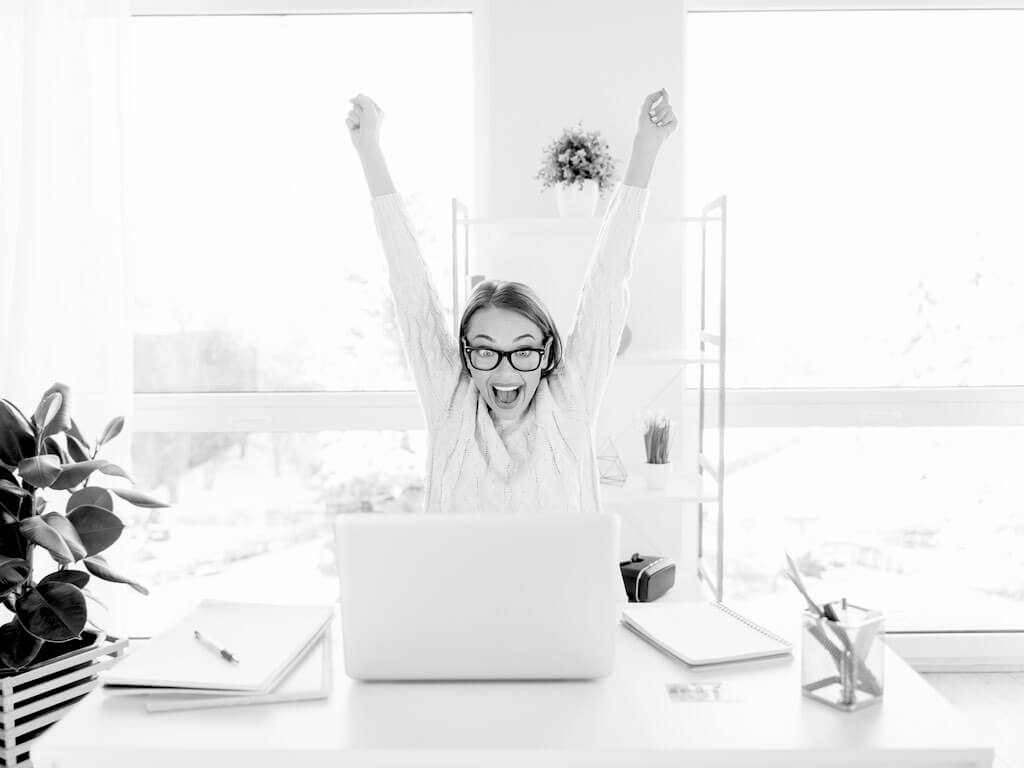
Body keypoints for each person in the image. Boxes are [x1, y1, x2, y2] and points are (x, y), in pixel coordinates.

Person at [347, 89, 677, 515]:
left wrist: (645, 147)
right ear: (465, 355)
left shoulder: (569, 400)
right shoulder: (452, 404)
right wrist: (369, 150)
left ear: (546, 354)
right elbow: (412, 290)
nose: (504, 370)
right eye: (485, 350)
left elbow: (608, 282)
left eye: (523, 351)